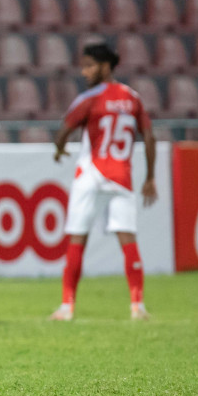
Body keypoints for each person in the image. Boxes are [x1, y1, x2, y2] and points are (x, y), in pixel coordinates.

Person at [50, 43, 155, 321]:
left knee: (77, 238)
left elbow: (62, 133)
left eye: (89, 65)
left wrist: (60, 149)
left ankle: (67, 306)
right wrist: (151, 177)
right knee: (128, 239)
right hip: (122, 176)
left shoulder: (90, 98)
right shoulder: (133, 98)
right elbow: (149, 137)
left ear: (105, 66)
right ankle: (137, 306)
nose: (84, 71)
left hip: (91, 175)